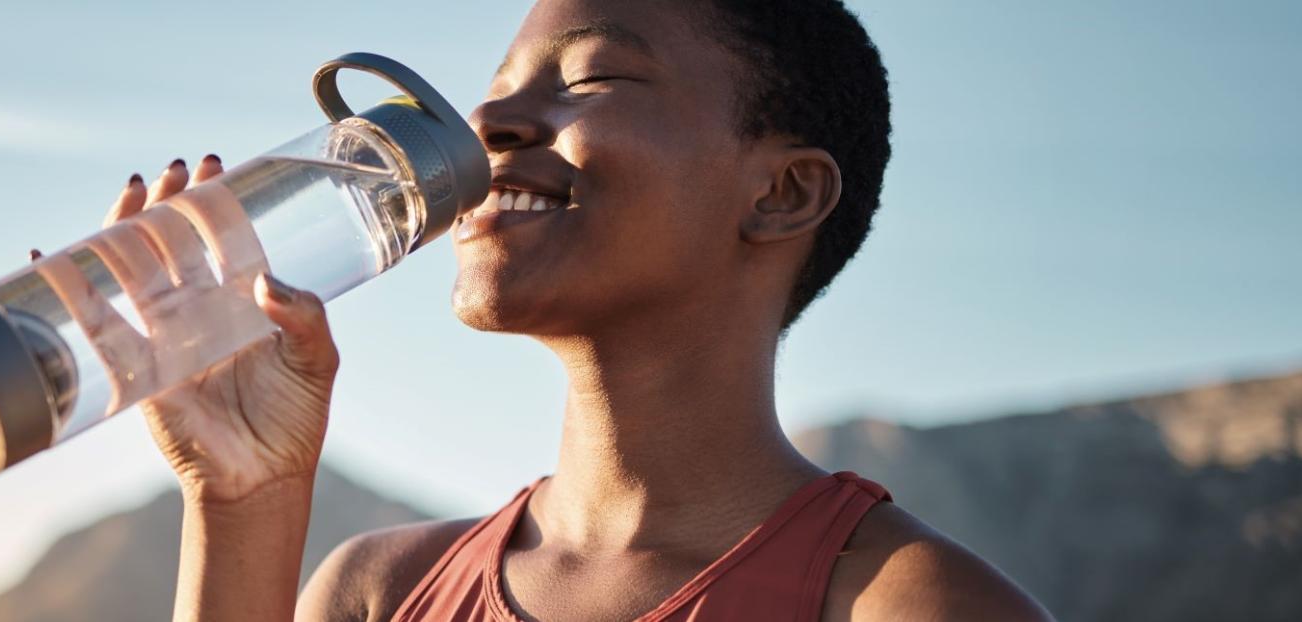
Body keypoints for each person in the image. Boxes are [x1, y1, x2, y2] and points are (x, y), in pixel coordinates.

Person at [82, 0, 1054, 619]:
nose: (487, 128)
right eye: (495, 94)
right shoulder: (378, 592)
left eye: (591, 77)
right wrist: (242, 501)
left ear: (783, 193)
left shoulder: (907, 605)